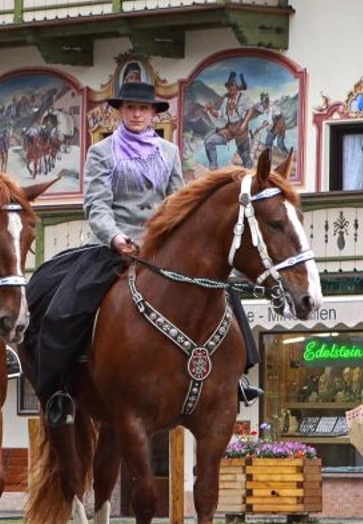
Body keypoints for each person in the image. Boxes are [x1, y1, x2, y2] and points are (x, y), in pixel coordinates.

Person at [23, 82, 262, 428]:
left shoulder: (168, 152)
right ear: (121, 111)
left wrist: (177, 242)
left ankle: (237, 379)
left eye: (144, 109)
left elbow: (180, 201)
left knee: (222, 293)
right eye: (131, 108)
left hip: (161, 249)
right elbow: (97, 204)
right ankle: (59, 388)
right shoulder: (102, 152)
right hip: (114, 247)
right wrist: (115, 237)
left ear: (153, 114)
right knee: (65, 311)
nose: (137, 114)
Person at [202, 71, 258, 169]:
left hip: (241, 129)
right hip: (230, 128)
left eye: (233, 85)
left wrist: (244, 123)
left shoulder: (243, 97)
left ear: (236, 87)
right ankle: (213, 167)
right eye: (229, 86)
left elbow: (251, 109)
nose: (231, 88)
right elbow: (219, 115)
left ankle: (249, 174)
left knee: (244, 155)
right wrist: (211, 110)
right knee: (209, 141)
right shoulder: (226, 100)